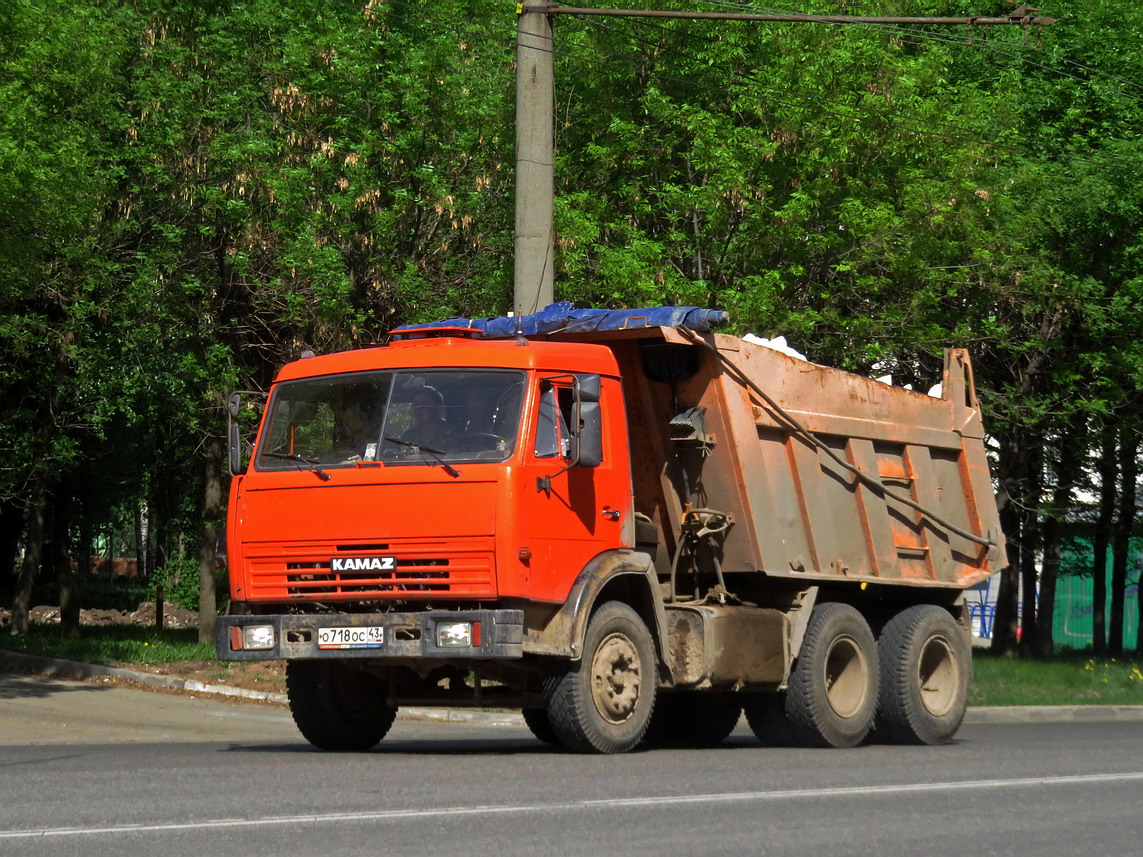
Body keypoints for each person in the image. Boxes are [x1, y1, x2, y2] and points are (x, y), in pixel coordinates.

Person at [401, 386, 455, 452]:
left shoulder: (451, 434)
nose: (418, 410)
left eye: (423, 405)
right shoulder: (408, 436)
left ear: (438, 408)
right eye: (415, 405)